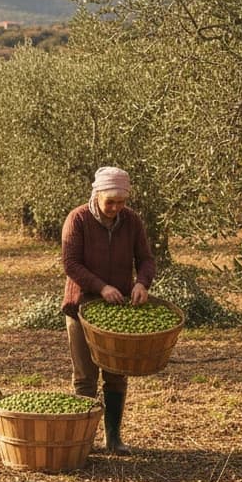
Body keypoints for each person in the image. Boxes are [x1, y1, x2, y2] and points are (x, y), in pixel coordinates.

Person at [61, 166, 156, 455]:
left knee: (116, 373)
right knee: (85, 376)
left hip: (119, 308)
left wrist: (141, 283)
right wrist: (101, 287)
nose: (115, 208)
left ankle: (113, 438)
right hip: (82, 305)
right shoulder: (78, 219)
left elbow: (146, 259)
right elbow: (71, 263)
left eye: (121, 202)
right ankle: (84, 439)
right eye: (110, 202)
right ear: (97, 195)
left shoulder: (131, 221)